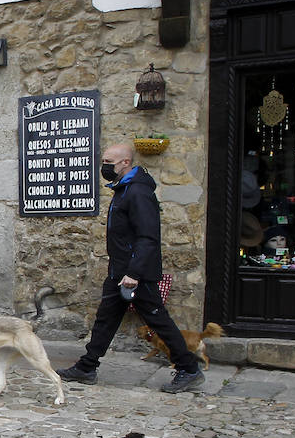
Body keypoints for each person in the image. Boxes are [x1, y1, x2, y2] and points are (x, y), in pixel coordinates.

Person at [58, 141, 206, 393]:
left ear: (125, 163)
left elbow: (148, 237)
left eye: (108, 162)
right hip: (120, 271)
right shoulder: (123, 190)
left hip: (136, 275)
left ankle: (189, 368)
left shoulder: (137, 192)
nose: (104, 167)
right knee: (105, 319)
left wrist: (134, 273)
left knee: (159, 322)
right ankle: (87, 366)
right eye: (103, 161)